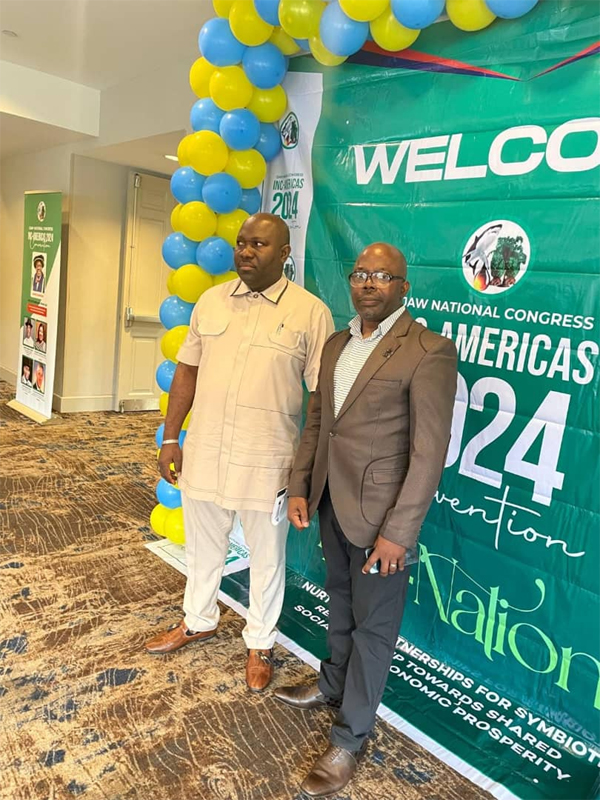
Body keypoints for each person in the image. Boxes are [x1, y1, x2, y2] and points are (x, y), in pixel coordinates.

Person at [274, 243, 458, 797]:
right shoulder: (336, 343)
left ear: (404, 287)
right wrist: (301, 486)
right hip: (331, 502)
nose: (369, 283)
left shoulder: (429, 350)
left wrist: (399, 533)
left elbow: (429, 453)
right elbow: (318, 423)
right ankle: (331, 685)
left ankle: (349, 738)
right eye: (360, 274)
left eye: (382, 275)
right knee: (338, 601)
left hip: (382, 520)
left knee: (374, 629)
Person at [145, 213, 334, 692]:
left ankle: (261, 643)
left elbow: (320, 398)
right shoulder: (211, 301)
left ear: (284, 253)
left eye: (259, 244)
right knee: (203, 545)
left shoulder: (310, 312)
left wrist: (305, 468)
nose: (246, 251)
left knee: (266, 556)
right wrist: (171, 437)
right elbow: (186, 371)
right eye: (241, 242)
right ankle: (198, 620)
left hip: (267, 459)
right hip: (205, 448)